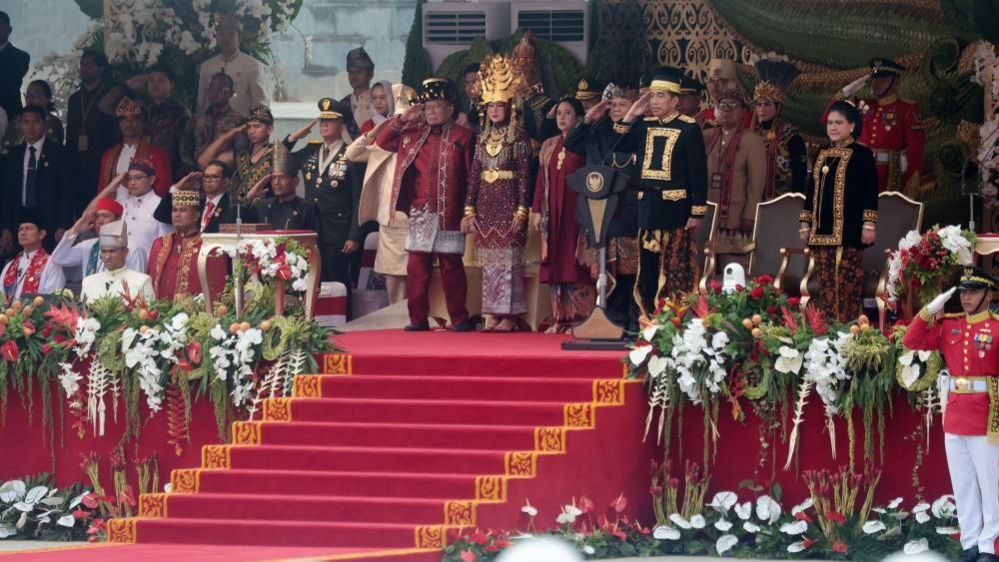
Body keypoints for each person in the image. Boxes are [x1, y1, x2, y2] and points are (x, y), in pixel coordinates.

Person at [903, 266, 999, 562]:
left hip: (986, 413)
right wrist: (930, 309)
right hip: (955, 413)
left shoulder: (996, 328)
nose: (966, 297)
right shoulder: (950, 326)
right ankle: (971, 543)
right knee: (964, 483)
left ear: (989, 294)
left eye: (973, 291)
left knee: (991, 484)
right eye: (963, 291)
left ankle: (990, 546)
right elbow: (911, 340)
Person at [376, 77, 475, 332]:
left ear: (451, 107)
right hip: (420, 211)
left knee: (451, 265)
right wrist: (403, 118)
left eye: (437, 106)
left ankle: (460, 318)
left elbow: (471, 177)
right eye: (427, 106)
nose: (431, 111)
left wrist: (469, 210)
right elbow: (382, 141)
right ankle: (417, 319)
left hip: (451, 210)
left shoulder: (463, 136)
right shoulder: (413, 134)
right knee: (417, 265)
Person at [613, 66, 708, 319]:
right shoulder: (644, 126)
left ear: (675, 100)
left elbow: (698, 173)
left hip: (676, 211)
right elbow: (619, 144)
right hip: (648, 209)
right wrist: (633, 112)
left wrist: (697, 211)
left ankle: (674, 321)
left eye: (661, 96)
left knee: (675, 269)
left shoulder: (689, 129)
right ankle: (649, 319)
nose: (654, 101)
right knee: (648, 271)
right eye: (652, 96)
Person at [462, 54, 534, 333]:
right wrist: (469, 209)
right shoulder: (481, 138)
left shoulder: (519, 138)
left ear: (509, 106)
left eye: (499, 105)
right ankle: (492, 312)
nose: (494, 110)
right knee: (489, 263)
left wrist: (522, 210)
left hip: (509, 202)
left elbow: (526, 177)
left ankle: (510, 315)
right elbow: (474, 176)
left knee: (508, 262)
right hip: (486, 204)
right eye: (490, 105)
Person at [564, 84, 640, 331]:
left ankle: (629, 320)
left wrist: (630, 119)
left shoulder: (638, 130)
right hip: (599, 209)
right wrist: (587, 119)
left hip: (627, 210)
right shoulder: (598, 131)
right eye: (613, 105)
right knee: (606, 269)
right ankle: (610, 319)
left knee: (628, 269)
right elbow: (572, 144)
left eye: (623, 105)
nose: (617, 109)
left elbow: (620, 143)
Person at [799, 100, 878, 322]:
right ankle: (827, 332)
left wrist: (869, 225)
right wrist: (805, 223)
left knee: (846, 285)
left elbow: (870, 191)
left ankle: (847, 329)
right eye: (830, 123)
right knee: (825, 286)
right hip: (821, 232)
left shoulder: (862, 154)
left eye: (839, 123)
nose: (833, 127)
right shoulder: (823, 152)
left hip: (849, 231)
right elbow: (811, 189)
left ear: (851, 126)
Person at [348, 84, 416, 305]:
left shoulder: (421, 142)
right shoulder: (384, 145)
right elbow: (352, 153)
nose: (402, 124)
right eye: (398, 120)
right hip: (390, 218)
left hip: (417, 218)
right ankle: (396, 323)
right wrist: (380, 130)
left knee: (418, 277)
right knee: (393, 281)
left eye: (404, 119)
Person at [283, 98, 361, 283]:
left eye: (330, 121)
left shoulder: (351, 154)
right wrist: (294, 138)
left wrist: (354, 236)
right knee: (309, 282)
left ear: (342, 125)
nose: (324, 124)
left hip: (337, 232)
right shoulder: (311, 150)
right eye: (322, 121)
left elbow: (359, 198)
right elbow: (279, 158)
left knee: (337, 282)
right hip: (310, 229)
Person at [532, 96, 593, 333]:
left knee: (576, 263)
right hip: (552, 214)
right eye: (559, 113)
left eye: (568, 113)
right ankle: (560, 319)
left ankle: (580, 319)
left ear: (578, 117)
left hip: (577, 214)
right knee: (555, 263)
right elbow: (540, 181)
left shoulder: (586, 142)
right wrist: (537, 210)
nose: (562, 117)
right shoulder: (548, 145)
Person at [832, 57, 926, 192]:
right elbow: (828, 118)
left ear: (896, 82)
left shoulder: (907, 109)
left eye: (884, 80)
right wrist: (845, 92)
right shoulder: (862, 105)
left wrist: (911, 187)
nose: (877, 83)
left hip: (890, 179)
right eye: (875, 79)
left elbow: (915, 151)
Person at [703, 84, 766, 268]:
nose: (726, 111)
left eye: (733, 106)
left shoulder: (752, 141)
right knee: (706, 268)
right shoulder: (707, 136)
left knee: (733, 269)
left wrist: (750, 215)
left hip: (736, 217)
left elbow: (756, 184)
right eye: (722, 105)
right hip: (707, 214)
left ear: (743, 112)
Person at [1, 106, 76, 253]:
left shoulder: (59, 153)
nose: (31, 127)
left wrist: (63, 224)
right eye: (26, 122)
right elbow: (6, 194)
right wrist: (5, 227)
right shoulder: (14, 155)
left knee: (47, 265)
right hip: (19, 217)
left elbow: (67, 192)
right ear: (20, 125)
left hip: (49, 221)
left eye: (36, 122)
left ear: (45, 124)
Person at [65, 51, 122, 215]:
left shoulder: (110, 96)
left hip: (101, 162)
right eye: (82, 65)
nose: (84, 69)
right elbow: (70, 134)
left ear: (101, 69)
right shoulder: (75, 99)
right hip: (77, 165)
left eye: (89, 65)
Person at [147, 190, 226, 301]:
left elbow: (217, 286)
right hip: (159, 313)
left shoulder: (209, 246)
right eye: (174, 210)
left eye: (183, 210)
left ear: (196, 216)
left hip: (194, 314)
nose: (177, 214)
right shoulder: (160, 243)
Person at [52, 196, 148, 276]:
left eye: (105, 216)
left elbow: (137, 285)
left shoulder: (132, 249)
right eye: (97, 217)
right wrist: (75, 230)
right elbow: (58, 258)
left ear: (118, 220)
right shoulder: (88, 246)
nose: (100, 221)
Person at [753, 56, 807, 197]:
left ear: (777, 107)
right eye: (759, 104)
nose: (762, 109)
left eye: (767, 104)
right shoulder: (753, 133)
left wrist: (795, 202)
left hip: (783, 201)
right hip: (755, 201)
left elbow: (800, 174)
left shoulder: (790, 135)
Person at [196, 15, 270, 117]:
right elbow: (202, 104)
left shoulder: (253, 65)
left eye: (231, 34)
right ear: (217, 38)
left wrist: (254, 129)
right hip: (211, 129)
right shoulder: (207, 66)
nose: (226, 38)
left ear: (239, 39)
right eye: (221, 34)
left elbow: (261, 105)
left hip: (241, 129)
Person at [100, 96, 172, 197]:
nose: (129, 124)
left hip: (145, 211)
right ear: (119, 124)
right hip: (114, 211)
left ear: (143, 123)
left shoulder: (158, 156)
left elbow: (163, 191)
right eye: (124, 119)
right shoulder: (108, 156)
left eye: (135, 119)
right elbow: (102, 192)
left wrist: (132, 185)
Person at [128, 65, 190, 179]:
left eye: (161, 80)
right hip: (140, 170)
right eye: (151, 80)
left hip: (169, 170)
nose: (155, 85)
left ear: (171, 85)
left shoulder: (180, 113)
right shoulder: (140, 110)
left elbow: (185, 149)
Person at [199, 105, 274, 198]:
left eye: (257, 126)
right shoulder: (241, 155)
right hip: (238, 208)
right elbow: (203, 162)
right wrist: (224, 137)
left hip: (266, 207)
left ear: (269, 129)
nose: (251, 131)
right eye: (249, 127)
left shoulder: (276, 154)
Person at [246, 142, 321, 232]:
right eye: (273, 178)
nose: (276, 182)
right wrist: (250, 196)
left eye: (282, 177)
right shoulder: (263, 206)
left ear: (295, 181)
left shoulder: (307, 208)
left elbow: (314, 241)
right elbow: (239, 221)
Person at [180, 71, 244, 176]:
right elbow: (185, 150)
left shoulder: (239, 121)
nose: (214, 92)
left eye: (220, 89)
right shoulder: (196, 119)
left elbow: (240, 154)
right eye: (211, 88)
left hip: (224, 178)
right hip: (196, 177)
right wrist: (193, 172)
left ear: (231, 93)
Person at [79, 219, 155, 303]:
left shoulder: (142, 281)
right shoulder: (88, 282)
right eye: (104, 251)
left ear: (125, 252)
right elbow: (83, 314)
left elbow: (148, 314)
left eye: (112, 251)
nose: (107, 256)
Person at [110, 157, 171, 258]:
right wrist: (111, 186)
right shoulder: (122, 205)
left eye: (138, 178)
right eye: (129, 179)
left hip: (146, 269)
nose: (133, 182)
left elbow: (165, 246)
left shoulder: (161, 206)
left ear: (151, 180)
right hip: (120, 267)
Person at [1, 212, 65, 305]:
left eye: (28, 228)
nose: (23, 232)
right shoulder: (9, 266)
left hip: (36, 318)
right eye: (20, 229)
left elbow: (52, 301)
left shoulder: (52, 264)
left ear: (41, 234)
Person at [514, 32, 558, 144]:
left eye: (525, 73)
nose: (520, 79)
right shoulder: (505, 102)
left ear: (534, 75)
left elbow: (543, 136)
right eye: (517, 74)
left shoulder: (544, 103)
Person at [1, 80, 65, 156]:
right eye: (29, 94)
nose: (31, 98)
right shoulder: (15, 121)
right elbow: (4, 149)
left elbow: (53, 151)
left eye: (36, 94)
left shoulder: (53, 122)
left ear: (47, 99)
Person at [698, 58, 752, 129]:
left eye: (721, 81)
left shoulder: (745, 115)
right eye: (711, 81)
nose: (714, 86)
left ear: (733, 84)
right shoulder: (704, 115)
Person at [340, 47, 375, 139]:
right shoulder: (342, 104)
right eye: (351, 72)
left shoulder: (378, 101)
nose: (354, 76)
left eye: (359, 72)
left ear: (371, 74)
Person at [0, 10, 29, 118]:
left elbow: (10, 83)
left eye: (0, 27)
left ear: (9, 30)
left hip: (10, 113)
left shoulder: (20, 57)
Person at [456, 63, 481, 133]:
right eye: (467, 83)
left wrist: (469, 126)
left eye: (474, 82)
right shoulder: (462, 103)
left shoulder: (491, 105)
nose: (470, 87)